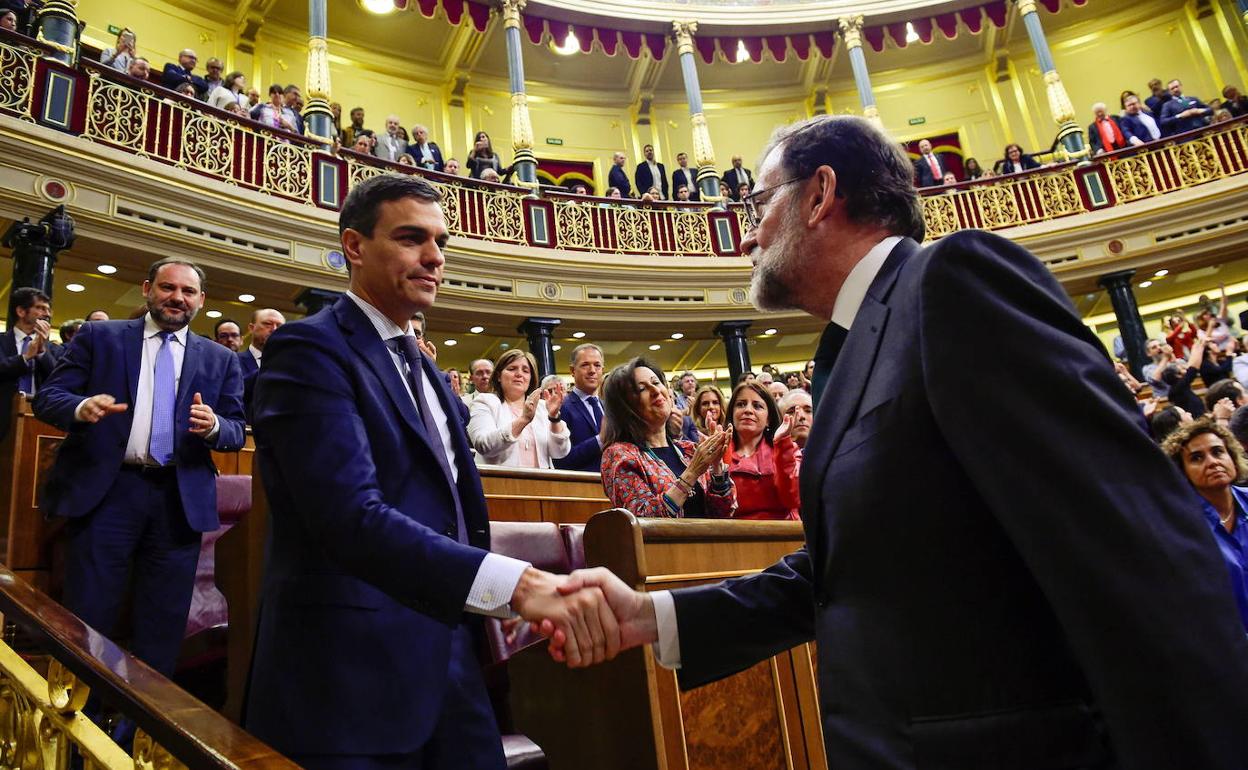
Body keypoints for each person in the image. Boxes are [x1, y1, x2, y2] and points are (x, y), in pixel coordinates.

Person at [547, 114, 1248, 769]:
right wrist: (651, 616)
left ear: (820, 194)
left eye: (757, 205)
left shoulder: (952, 283)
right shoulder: (849, 349)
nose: (746, 236)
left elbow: (1135, 541)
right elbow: (845, 570)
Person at [243, 174, 623, 769]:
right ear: (354, 246)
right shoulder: (309, 350)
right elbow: (348, 517)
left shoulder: (425, 372)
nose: (435, 258)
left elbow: (452, 518)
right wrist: (519, 586)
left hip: (449, 664)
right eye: (411, 238)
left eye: (441, 243)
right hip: (348, 678)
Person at [34, 259, 246, 680]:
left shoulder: (221, 358)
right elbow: (49, 397)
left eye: (188, 292)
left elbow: (237, 429)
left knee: (163, 624)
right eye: (168, 288)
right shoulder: (101, 337)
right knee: (89, 616)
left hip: (178, 501)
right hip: (107, 494)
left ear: (201, 301)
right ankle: (80, 721)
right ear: (148, 289)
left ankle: (143, 733)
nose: (177, 298)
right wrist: (80, 407)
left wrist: (215, 426)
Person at [598, 357, 734, 518]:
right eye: (642, 389)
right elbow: (643, 520)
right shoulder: (619, 455)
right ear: (625, 408)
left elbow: (722, 515)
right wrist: (692, 472)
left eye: (656, 382)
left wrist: (717, 469)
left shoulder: (689, 450)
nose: (656, 391)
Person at [1161, 419, 1248, 633]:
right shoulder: (1178, 526)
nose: (1212, 462)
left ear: (1232, 457)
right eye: (1197, 458)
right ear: (1182, 472)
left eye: (1218, 452)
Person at [467, 348, 569, 468]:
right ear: (499, 376)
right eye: (512, 369)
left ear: (531, 378)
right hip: (498, 483)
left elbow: (559, 452)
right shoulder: (485, 402)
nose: (519, 374)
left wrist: (554, 418)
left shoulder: (541, 406)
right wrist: (523, 420)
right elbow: (483, 445)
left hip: (542, 483)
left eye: (525, 371)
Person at [723, 380, 799, 520]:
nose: (748, 410)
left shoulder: (789, 449)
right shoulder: (719, 451)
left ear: (769, 419)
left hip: (784, 536)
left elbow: (792, 499)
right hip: (730, 537)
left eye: (757, 406)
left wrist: (783, 446)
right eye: (741, 404)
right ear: (731, 414)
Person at [0, 287, 61, 439]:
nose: (47, 314)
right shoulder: (1, 341)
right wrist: (25, 357)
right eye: (40, 308)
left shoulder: (52, 349)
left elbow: (59, 378)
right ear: (21, 311)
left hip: (39, 419)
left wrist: (41, 352)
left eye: (48, 309)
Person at [553, 343, 606, 473]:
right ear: (572, 371)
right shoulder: (561, 408)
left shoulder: (610, 408)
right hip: (581, 487)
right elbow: (561, 460)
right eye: (585, 365)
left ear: (602, 370)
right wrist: (600, 440)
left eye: (597, 365)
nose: (592, 370)